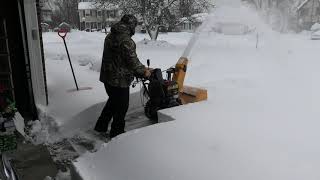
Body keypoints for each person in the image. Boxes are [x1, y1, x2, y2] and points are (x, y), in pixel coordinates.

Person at [94, 14, 151, 138]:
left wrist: (138, 69)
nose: (134, 29)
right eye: (134, 26)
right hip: (120, 80)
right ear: (131, 25)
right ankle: (117, 133)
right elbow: (132, 61)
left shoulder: (110, 36)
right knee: (121, 107)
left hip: (107, 77)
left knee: (113, 102)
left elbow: (119, 58)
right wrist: (144, 71)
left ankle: (101, 126)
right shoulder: (126, 41)